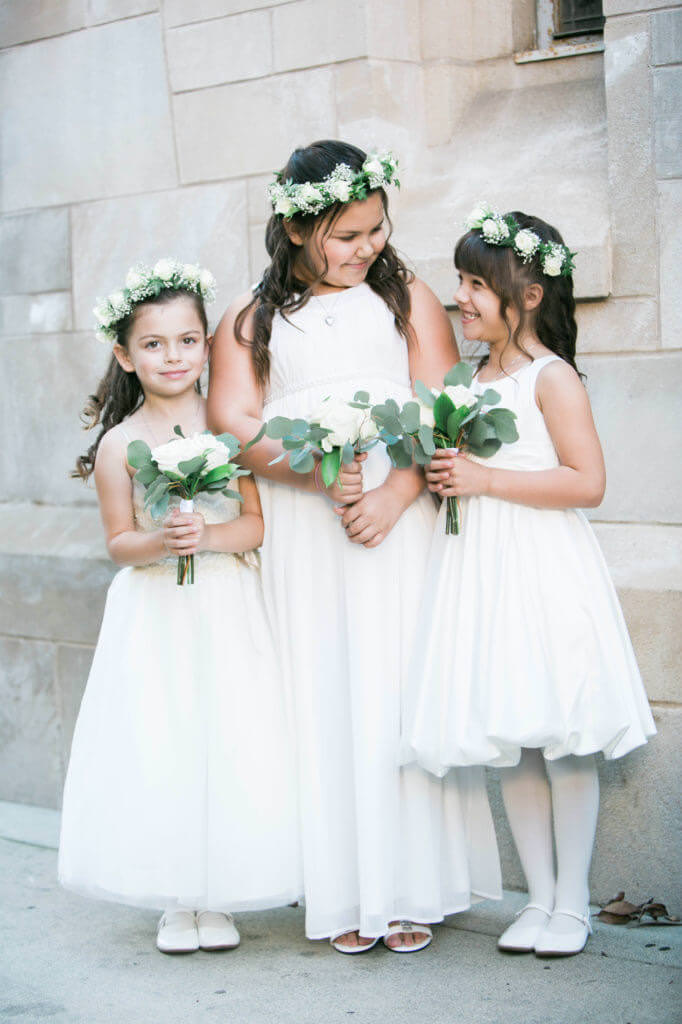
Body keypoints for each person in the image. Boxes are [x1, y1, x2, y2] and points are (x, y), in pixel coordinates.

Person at [208, 142, 502, 953]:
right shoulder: (253, 318)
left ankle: (411, 888)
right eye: (346, 235)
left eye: (375, 229)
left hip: (395, 523)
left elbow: (446, 400)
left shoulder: (405, 295)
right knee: (327, 691)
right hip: (310, 527)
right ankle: (343, 892)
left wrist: (398, 491)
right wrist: (311, 471)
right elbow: (233, 424)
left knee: (397, 687)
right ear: (299, 229)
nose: (365, 247)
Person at [409, 206, 656, 957]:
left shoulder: (552, 379)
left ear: (529, 296)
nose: (462, 297)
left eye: (478, 284)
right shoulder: (463, 378)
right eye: (458, 281)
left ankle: (573, 899)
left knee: (561, 732)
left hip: (542, 565)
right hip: (481, 566)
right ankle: (538, 897)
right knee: (512, 736)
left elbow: (588, 483)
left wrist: (484, 477)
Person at [58, 260, 301, 954]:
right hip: (156, 614)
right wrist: (161, 540)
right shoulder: (120, 445)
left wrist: (211, 535)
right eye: (155, 344)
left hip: (227, 603)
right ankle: (175, 899)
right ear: (124, 354)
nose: (174, 357)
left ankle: (219, 893)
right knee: (164, 740)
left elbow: (255, 523)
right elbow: (118, 542)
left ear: (207, 345)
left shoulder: (229, 426)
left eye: (188, 341)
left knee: (231, 738)